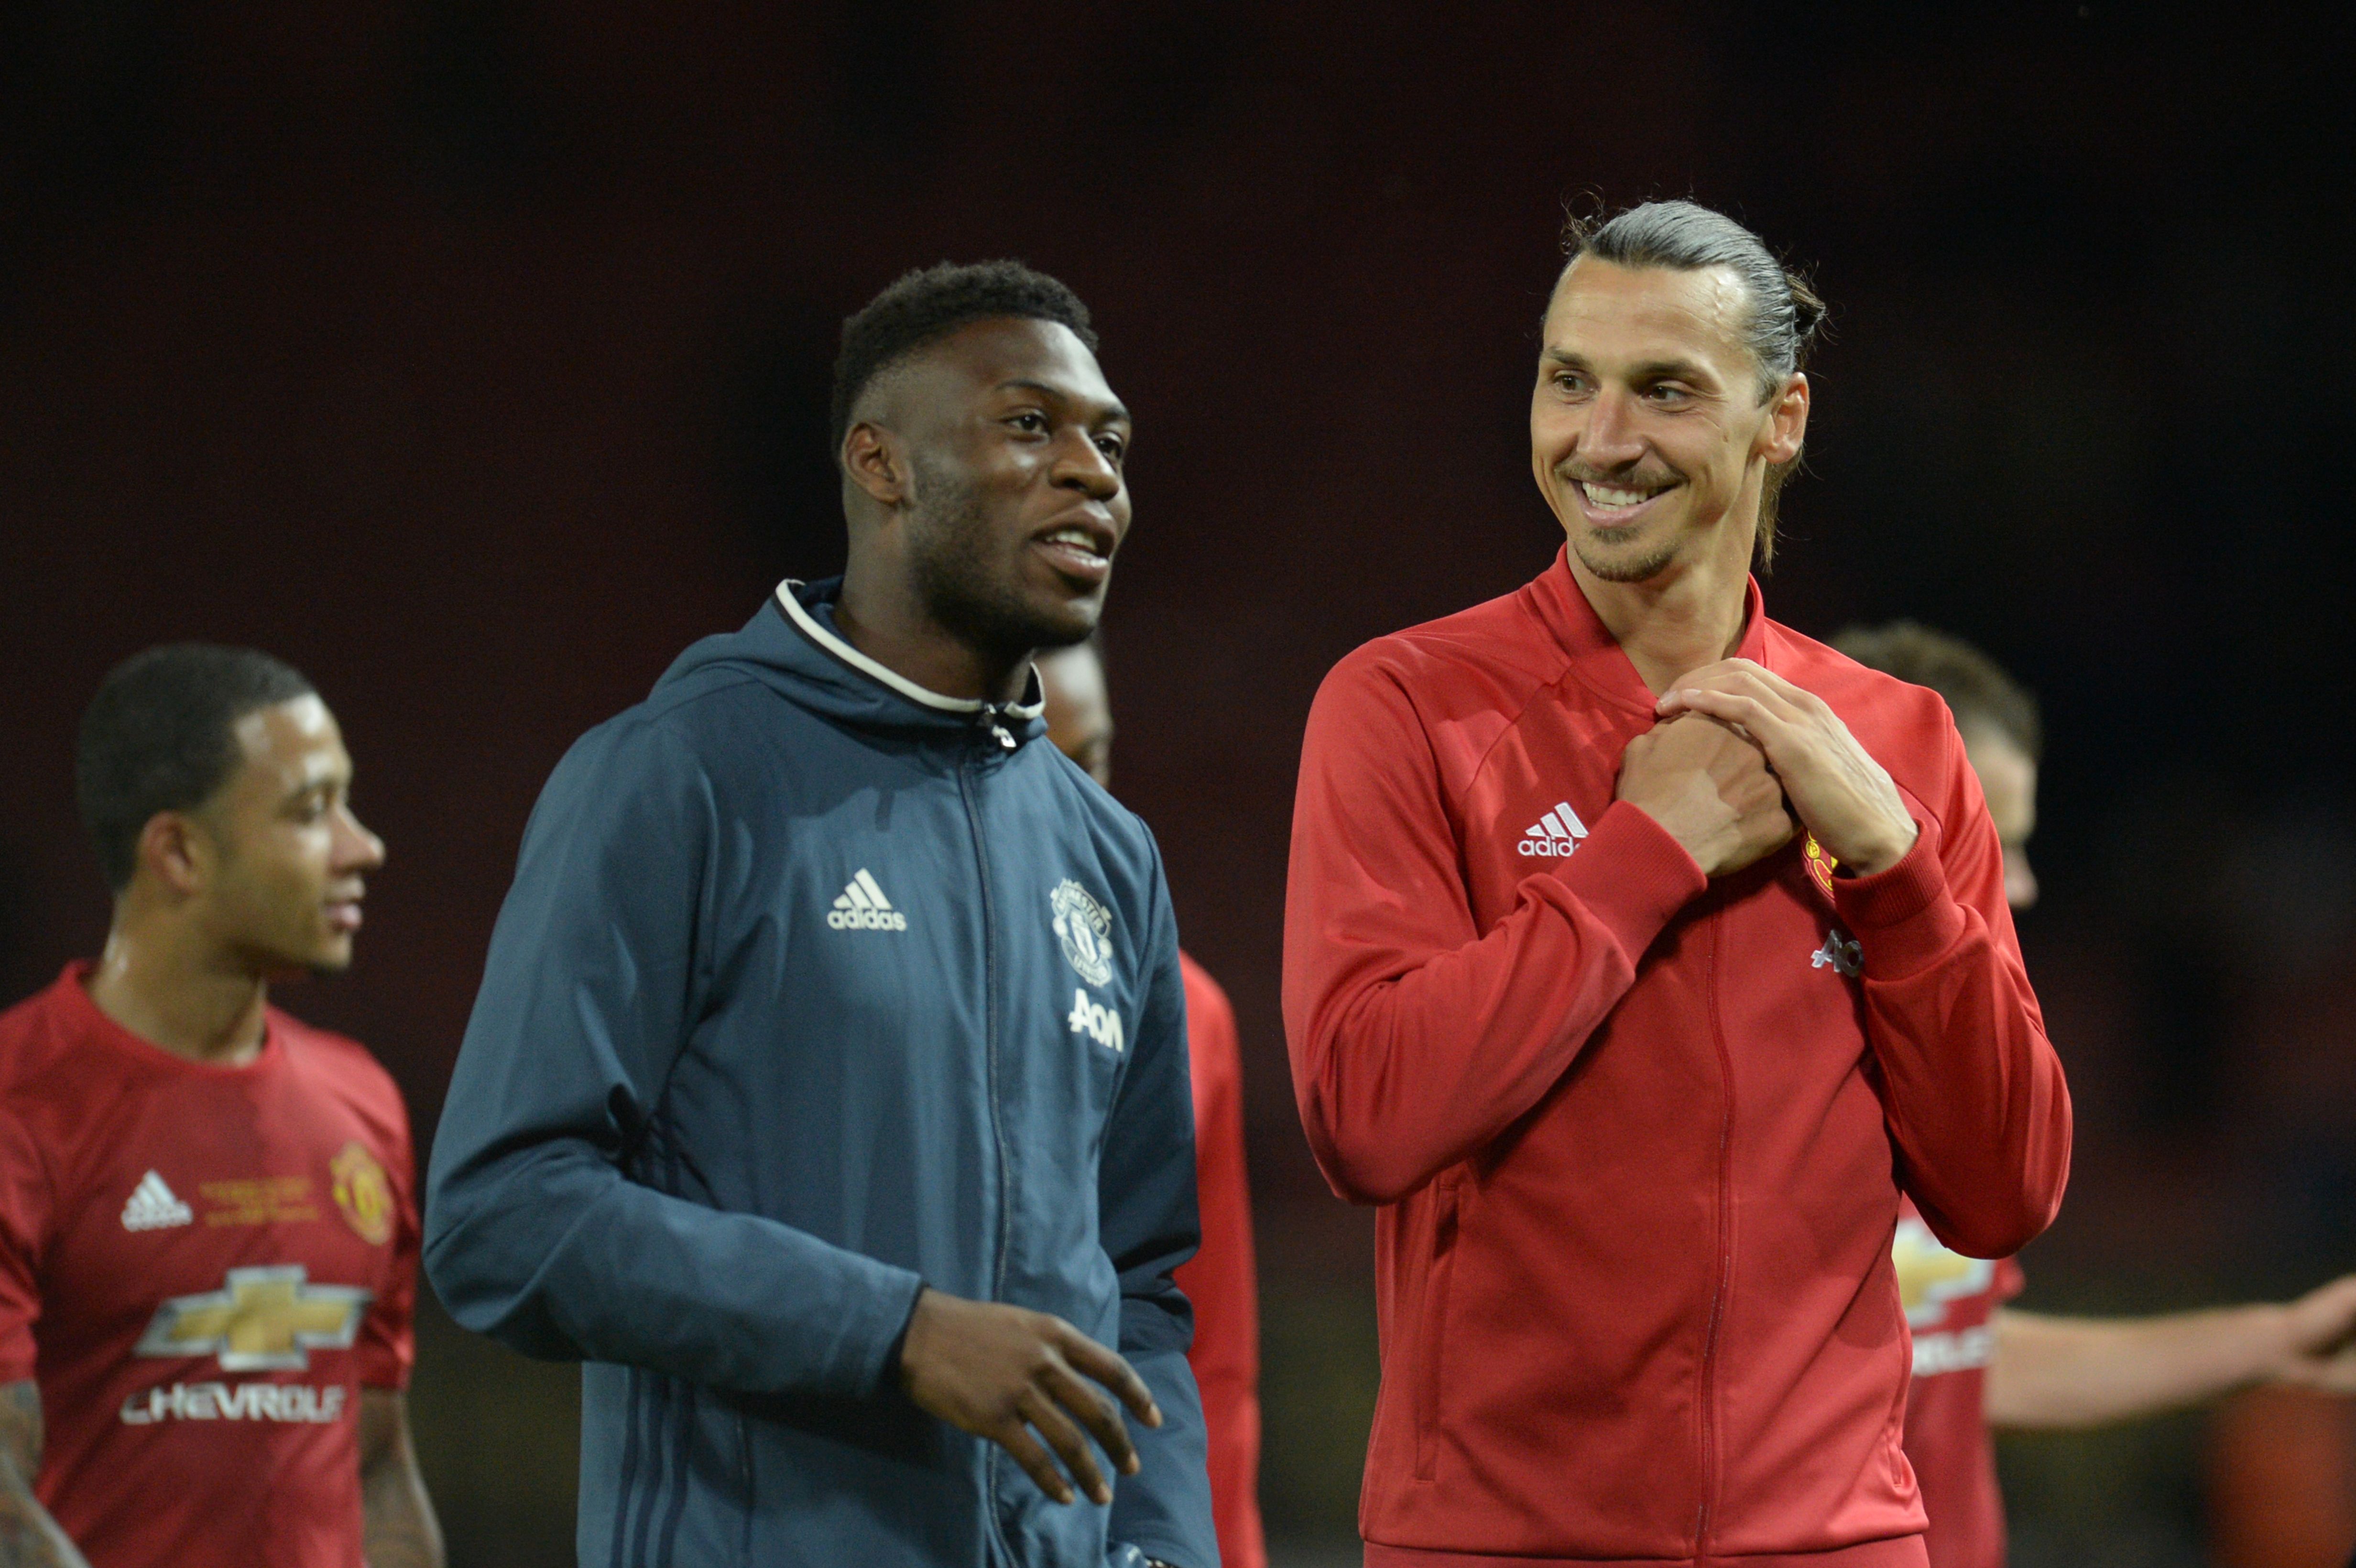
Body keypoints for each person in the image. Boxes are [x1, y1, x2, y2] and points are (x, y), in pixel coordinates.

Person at [1282, 200, 2072, 1567]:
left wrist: (1890, 873)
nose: (1601, 440)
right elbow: (1366, 1114)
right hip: (1498, 1540)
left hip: (1836, 1539)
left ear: (1784, 420)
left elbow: (2005, 1192)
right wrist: (1643, 858)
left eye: (1665, 391)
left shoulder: (1898, 744)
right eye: (1567, 380)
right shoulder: (1406, 705)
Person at [424, 262, 1215, 1568]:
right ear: (881, 463)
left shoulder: (1112, 856)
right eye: (1032, 427)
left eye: (1111, 441)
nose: (1096, 474)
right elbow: (502, 1215)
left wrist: (1168, 1552)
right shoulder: (681, 776)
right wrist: (893, 1330)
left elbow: (1137, 1286)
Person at [1832, 620, 2356, 1568]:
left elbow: (1958, 1358)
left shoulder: (1944, 1083)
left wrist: (2272, 1340)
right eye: (1992, 840)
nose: (2022, 886)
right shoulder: (1763, 1091)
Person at [0, 644, 439, 1568]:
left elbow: (379, 1469)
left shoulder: (363, 1105)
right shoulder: (20, 1106)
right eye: (312, 812)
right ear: (179, 852)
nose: (364, 847)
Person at [1038, 638, 1267, 1568]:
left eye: (1088, 759)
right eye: (1030, 758)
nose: (1063, 803)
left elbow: (1210, 1355)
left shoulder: (1189, 1011)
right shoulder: (891, 998)